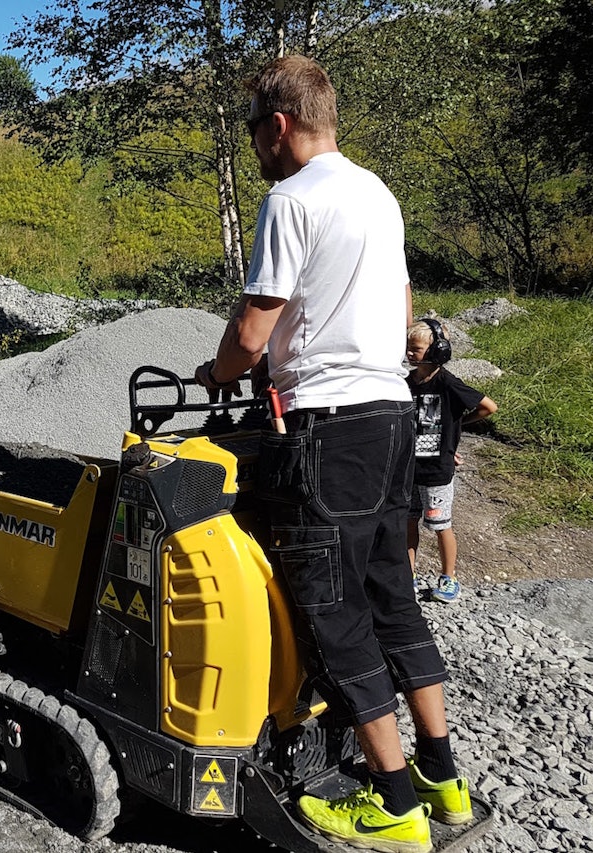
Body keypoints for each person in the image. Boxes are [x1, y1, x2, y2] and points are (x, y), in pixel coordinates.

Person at [195, 55, 471, 852]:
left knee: (333, 609)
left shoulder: (291, 199)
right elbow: (404, 306)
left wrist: (215, 373)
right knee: (392, 593)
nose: (254, 148)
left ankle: (390, 805)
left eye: (254, 132)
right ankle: (441, 777)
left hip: (328, 426)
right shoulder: (376, 193)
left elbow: (253, 329)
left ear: (278, 125)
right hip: (390, 414)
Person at [406, 319, 498, 603]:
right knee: (408, 523)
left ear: (439, 351)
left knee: (440, 525)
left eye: (416, 349)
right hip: (408, 469)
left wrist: (458, 425)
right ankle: (408, 576)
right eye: (408, 347)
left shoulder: (447, 383)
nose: (410, 353)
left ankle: (449, 577)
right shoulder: (406, 382)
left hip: (436, 471)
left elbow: (488, 407)